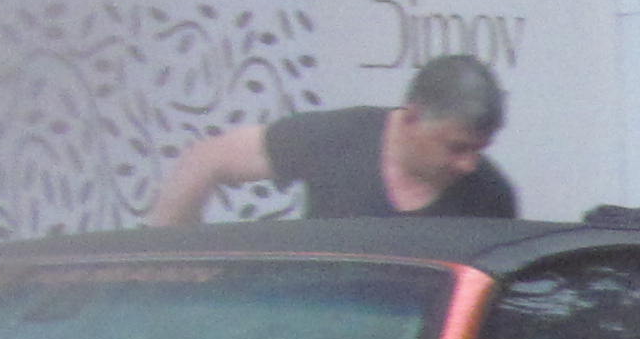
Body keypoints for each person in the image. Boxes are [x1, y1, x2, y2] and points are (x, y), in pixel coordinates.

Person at [150, 55, 517, 225]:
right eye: (456, 148)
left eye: (479, 150)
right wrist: (168, 270)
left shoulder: (490, 194)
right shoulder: (338, 137)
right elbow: (205, 159)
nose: (469, 165)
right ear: (412, 117)